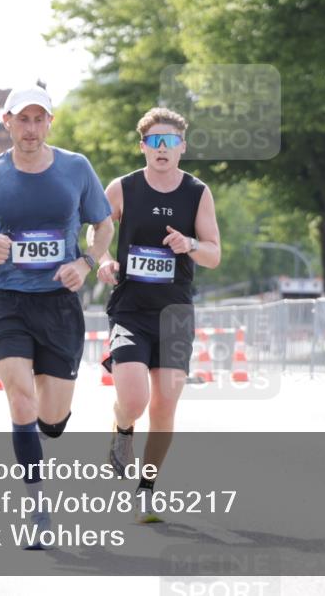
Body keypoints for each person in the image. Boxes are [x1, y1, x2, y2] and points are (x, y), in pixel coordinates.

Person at [0, 84, 113, 549]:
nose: (32, 128)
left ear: (49, 124)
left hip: (59, 304)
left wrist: (85, 263)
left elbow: (103, 223)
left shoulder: (76, 168)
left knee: (52, 417)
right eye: (23, 119)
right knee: (20, 400)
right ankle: (37, 506)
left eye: (40, 119)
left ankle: (46, 432)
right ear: (8, 123)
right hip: (8, 302)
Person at [98, 107, 221, 523]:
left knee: (165, 406)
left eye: (170, 142)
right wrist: (101, 260)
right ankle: (120, 423)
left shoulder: (197, 192)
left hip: (175, 312)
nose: (162, 149)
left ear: (183, 147)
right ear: (144, 146)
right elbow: (95, 230)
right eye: (155, 141)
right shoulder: (123, 188)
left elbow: (214, 254)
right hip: (131, 308)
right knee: (134, 399)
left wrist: (189, 244)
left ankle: (147, 489)